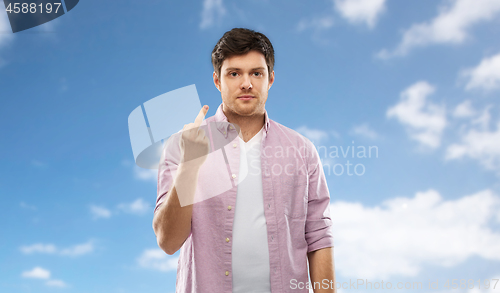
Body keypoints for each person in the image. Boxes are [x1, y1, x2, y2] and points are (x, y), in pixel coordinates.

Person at [153, 28, 336, 293]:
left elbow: (319, 235)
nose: (246, 83)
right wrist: (189, 165)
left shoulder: (302, 150)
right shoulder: (182, 145)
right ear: (217, 80)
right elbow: (168, 242)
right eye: (234, 73)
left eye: (256, 73)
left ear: (270, 79)